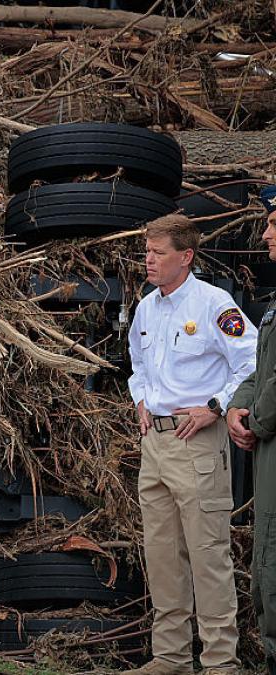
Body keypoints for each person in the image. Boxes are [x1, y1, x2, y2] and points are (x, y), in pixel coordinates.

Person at [124, 213, 256, 675]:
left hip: (197, 443)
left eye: (158, 253)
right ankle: (172, 658)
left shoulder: (213, 304)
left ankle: (221, 662)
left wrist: (215, 407)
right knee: (162, 558)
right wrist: (140, 399)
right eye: (147, 251)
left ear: (186, 257)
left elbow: (253, 362)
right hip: (154, 445)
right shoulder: (146, 308)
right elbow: (136, 364)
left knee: (207, 557)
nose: (149, 260)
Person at [227, 185, 276, 674]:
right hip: (266, 445)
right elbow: (259, 371)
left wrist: (255, 421)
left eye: (273, 224)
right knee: (266, 553)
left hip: (271, 439)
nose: (265, 233)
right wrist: (238, 408)